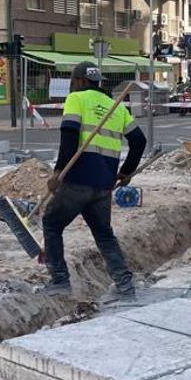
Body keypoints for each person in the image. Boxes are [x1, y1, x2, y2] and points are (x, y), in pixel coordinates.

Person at [42, 61, 147, 299]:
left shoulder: (76, 99)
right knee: (104, 235)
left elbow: (69, 134)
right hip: (104, 184)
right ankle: (124, 285)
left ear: (79, 81)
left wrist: (59, 172)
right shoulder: (116, 107)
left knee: (51, 224)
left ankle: (60, 281)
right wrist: (126, 171)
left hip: (78, 179)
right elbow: (139, 141)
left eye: (73, 81)